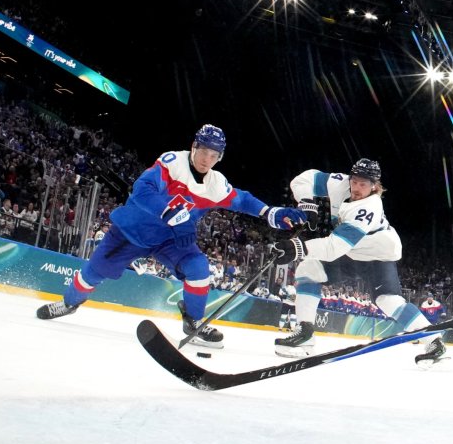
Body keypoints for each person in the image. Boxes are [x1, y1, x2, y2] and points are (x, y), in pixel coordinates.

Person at [35, 124, 309, 353]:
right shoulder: (171, 163)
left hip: (170, 241)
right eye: (203, 151)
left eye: (214, 155)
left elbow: (241, 199)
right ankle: (69, 303)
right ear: (193, 147)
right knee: (93, 273)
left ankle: (194, 321)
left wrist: (269, 211)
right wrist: (171, 214)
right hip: (131, 232)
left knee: (199, 269)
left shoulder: (215, 183)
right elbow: (141, 191)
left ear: (219, 158)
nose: (206, 159)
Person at [270, 158, 441, 364]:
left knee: (387, 300)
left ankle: (434, 341)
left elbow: (334, 247)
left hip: (377, 256)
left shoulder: (370, 206)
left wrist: (298, 248)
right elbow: (302, 180)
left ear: (374, 186)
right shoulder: (340, 184)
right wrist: (307, 203)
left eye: (364, 184)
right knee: (308, 269)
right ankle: (305, 333)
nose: (357, 188)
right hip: (351, 253)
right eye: (355, 181)